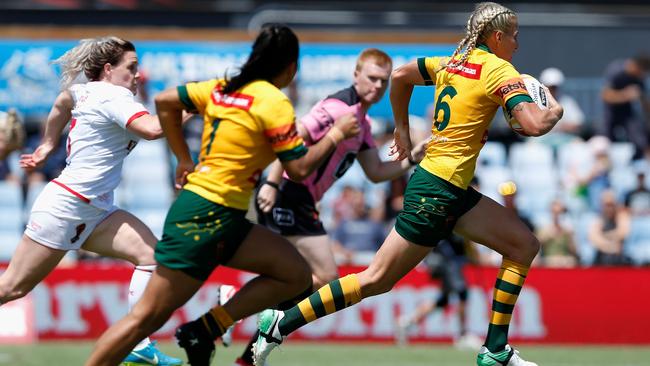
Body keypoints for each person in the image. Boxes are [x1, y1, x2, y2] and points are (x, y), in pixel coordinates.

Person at [251, 3, 563, 366]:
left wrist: (401, 128)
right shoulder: (500, 70)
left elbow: (400, 76)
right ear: (497, 37)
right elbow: (536, 125)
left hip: (449, 187)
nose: (517, 44)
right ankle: (281, 322)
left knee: (523, 244)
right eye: (514, 36)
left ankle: (495, 350)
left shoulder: (453, 62)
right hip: (438, 190)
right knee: (375, 279)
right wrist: (553, 107)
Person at [84, 24, 360, 366]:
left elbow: (165, 100)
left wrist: (184, 158)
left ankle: (205, 328)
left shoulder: (221, 88)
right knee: (146, 318)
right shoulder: (274, 102)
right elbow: (300, 169)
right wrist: (335, 135)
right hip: (204, 216)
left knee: (295, 273)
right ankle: (199, 330)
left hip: (221, 216)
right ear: (291, 68)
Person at [183, 47, 427, 366]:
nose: (378, 87)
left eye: (383, 81)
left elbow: (376, 172)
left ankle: (246, 342)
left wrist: (412, 159)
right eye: (371, 78)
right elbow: (292, 135)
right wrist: (272, 182)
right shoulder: (337, 106)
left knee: (293, 277)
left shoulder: (362, 123)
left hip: (302, 199)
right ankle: (245, 318)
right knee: (324, 278)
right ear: (356, 75)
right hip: (290, 193)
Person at [0, 36, 182, 365]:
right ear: (109, 70)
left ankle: (137, 345)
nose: (137, 75)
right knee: (11, 289)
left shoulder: (87, 91)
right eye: (132, 68)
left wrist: (47, 145)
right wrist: (195, 107)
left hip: (94, 209)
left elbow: (61, 103)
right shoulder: (115, 96)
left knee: (152, 257)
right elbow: (154, 130)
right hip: (68, 205)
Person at [394, 233, 482, 350]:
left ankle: (407, 322)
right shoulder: (456, 222)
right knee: (462, 292)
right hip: (445, 260)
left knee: (442, 300)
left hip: (442, 260)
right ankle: (462, 335)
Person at [601, 53, 650, 159]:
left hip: (626, 112)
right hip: (610, 112)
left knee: (640, 139)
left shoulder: (638, 79)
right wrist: (625, 95)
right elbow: (605, 95)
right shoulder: (616, 70)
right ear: (636, 67)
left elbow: (644, 101)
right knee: (604, 141)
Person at [537, 67, 585, 149]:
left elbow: (578, 123)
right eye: (548, 87)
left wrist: (558, 126)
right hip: (540, 140)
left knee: (579, 145)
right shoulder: (535, 102)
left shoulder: (567, 102)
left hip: (564, 139)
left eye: (554, 87)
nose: (551, 90)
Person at [589, 189, 632, 266]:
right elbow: (595, 239)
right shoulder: (599, 219)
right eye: (606, 205)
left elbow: (623, 232)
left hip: (619, 256)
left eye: (611, 204)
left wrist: (605, 236)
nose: (609, 208)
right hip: (603, 256)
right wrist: (612, 247)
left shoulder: (622, 216)